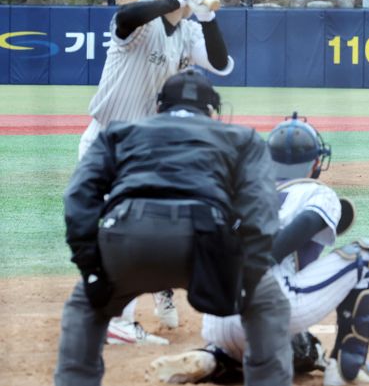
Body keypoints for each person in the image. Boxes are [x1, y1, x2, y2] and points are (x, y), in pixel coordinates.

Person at [54, 69, 292, 386]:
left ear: (159, 106)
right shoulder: (241, 137)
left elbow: (79, 194)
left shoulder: (119, 132)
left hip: (128, 237)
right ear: (212, 110)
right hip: (206, 241)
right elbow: (261, 207)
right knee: (266, 302)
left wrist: (90, 265)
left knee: (85, 306)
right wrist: (250, 271)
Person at [149, 113, 369, 386]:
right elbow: (306, 223)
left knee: (279, 345)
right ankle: (346, 369)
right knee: (367, 258)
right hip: (270, 305)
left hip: (216, 317)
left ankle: (215, 357)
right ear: (316, 163)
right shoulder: (317, 192)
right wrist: (263, 259)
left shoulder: (238, 189)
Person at [79, 0, 234, 344]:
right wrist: (172, 2)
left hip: (149, 149)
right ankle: (117, 320)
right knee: (122, 227)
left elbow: (219, 63)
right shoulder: (140, 26)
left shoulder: (188, 31)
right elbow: (125, 18)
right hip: (108, 141)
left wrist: (207, 17)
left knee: (163, 219)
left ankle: (159, 285)